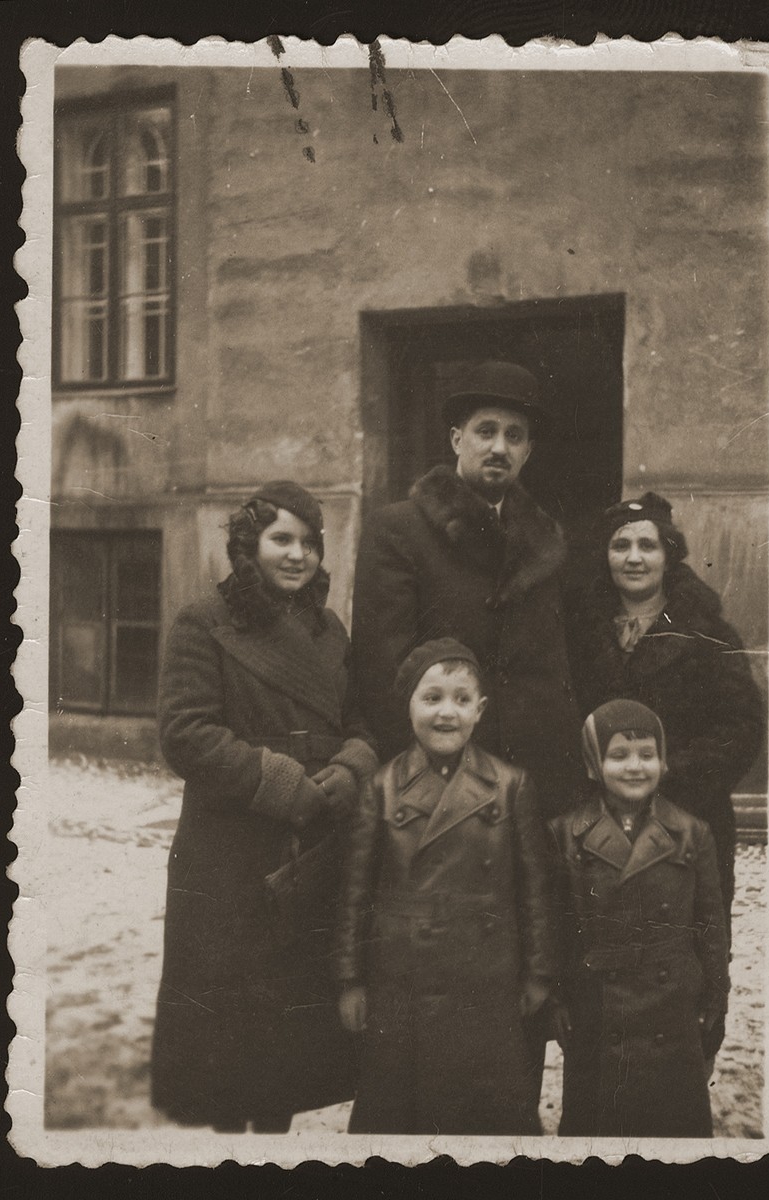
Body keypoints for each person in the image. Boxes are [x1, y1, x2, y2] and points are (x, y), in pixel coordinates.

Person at [150, 481, 377, 1132]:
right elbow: (186, 732)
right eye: (282, 539)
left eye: (309, 542)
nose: (297, 554)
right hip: (230, 852)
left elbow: (362, 719)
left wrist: (349, 768)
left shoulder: (327, 627)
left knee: (284, 1033)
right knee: (227, 1033)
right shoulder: (205, 619)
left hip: (308, 848)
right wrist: (282, 782)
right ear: (248, 546)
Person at [334, 639, 557, 1135]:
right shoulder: (382, 786)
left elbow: (534, 891)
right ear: (408, 705)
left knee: (486, 1114)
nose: (446, 713)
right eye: (431, 698)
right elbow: (355, 893)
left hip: (487, 977)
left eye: (460, 700)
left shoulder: (510, 785)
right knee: (398, 1114)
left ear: (480, 711)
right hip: (400, 978)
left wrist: (539, 972)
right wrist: (350, 980)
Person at [352, 359, 580, 819]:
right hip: (441, 782)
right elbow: (382, 671)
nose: (499, 447)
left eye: (514, 436)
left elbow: (557, 669)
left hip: (533, 781)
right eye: (486, 431)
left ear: (528, 452)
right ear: (457, 439)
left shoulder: (545, 543)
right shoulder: (398, 530)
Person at [566, 491, 764, 925]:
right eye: (621, 546)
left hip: (687, 818)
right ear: (605, 556)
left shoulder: (708, 632)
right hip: (598, 819)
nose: (634, 558)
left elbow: (742, 725)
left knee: (687, 950)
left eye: (648, 546)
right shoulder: (578, 633)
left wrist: (668, 777)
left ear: (669, 555)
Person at [548, 700, 730, 1138]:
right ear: (594, 765)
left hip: (672, 1009)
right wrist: (556, 997)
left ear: (663, 761)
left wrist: (715, 996)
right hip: (597, 1007)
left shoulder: (692, 833)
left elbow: (710, 924)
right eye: (619, 755)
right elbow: (556, 927)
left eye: (647, 755)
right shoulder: (567, 834)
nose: (635, 767)